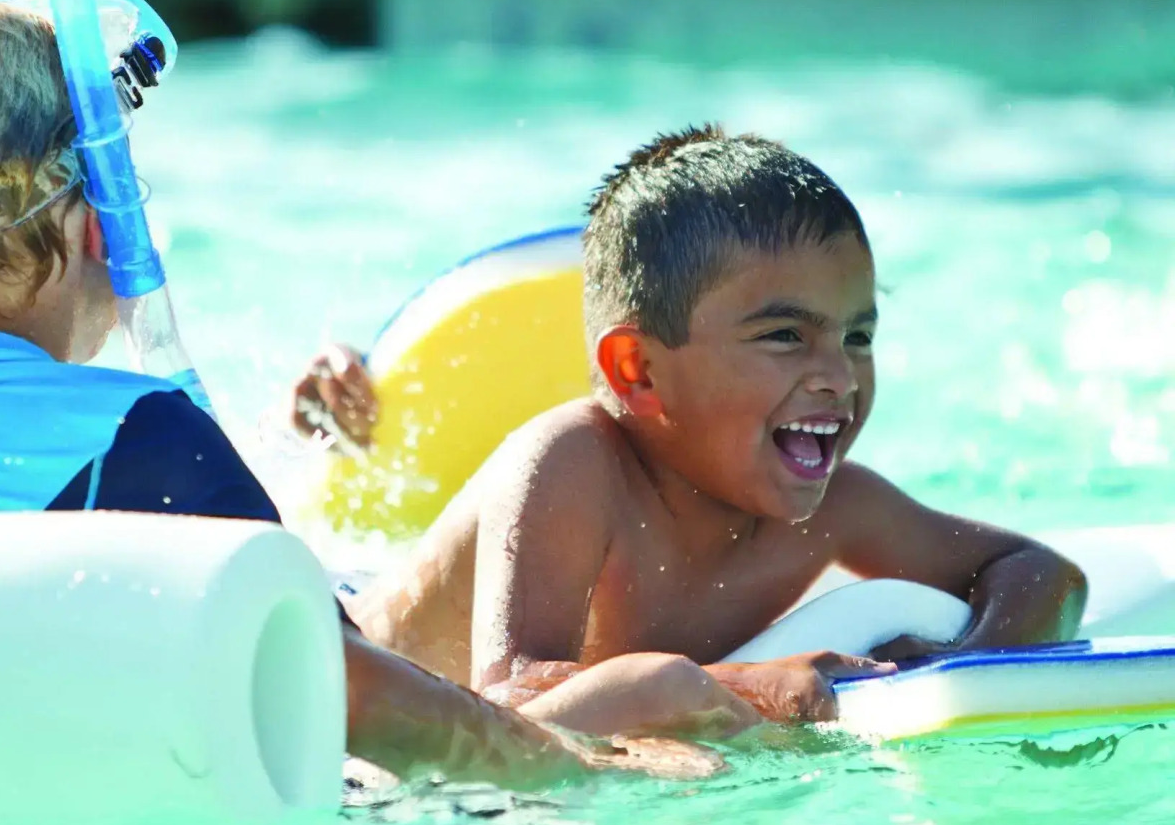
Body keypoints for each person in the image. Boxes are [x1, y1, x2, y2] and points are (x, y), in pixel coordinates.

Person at [0, 0, 752, 789]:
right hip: (231, 744)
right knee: (650, 682)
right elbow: (338, 693)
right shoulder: (140, 436)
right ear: (104, 222)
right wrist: (589, 772)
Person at [295, 125, 1089, 733]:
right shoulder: (573, 466)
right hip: (342, 667)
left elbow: (1038, 570)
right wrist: (753, 686)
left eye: (857, 336)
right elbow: (509, 696)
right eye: (785, 336)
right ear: (638, 372)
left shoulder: (837, 508)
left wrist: (967, 660)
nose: (840, 378)